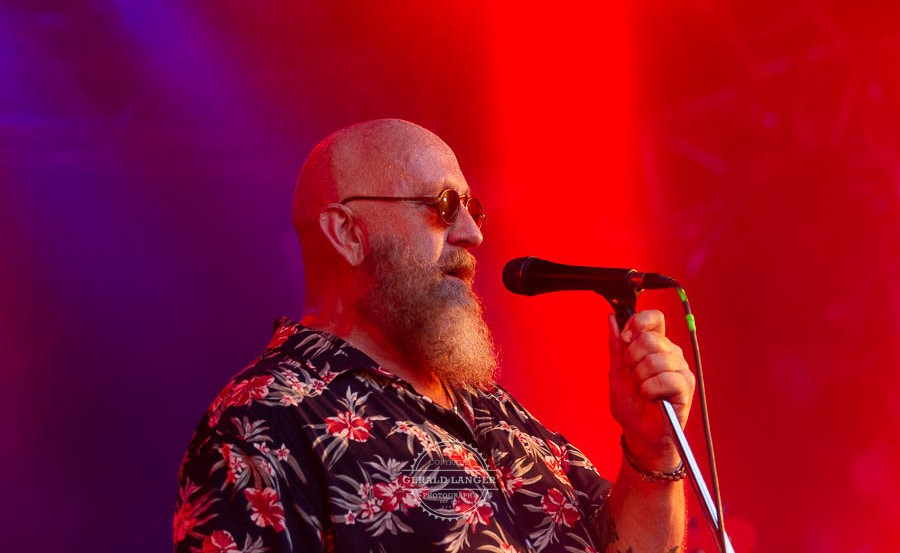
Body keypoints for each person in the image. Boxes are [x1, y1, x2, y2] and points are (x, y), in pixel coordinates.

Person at [173, 119, 696, 553]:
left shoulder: (491, 408)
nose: (473, 233)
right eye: (444, 206)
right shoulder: (263, 422)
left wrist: (651, 449)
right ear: (348, 233)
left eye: (473, 209)